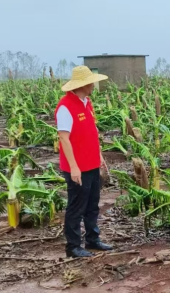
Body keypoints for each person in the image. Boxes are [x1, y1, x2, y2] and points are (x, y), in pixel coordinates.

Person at [55, 65, 113, 258]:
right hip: (78, 167)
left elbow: (91, 132)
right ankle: (73, 247)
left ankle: (92, 239)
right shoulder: (65, 107)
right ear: (83, 84)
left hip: (92, 163)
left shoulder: (86, 102)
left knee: (92, 204)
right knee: (76, 206)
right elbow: (64, 138)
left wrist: (100, 156)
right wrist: (73, 167)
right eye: (91, 83)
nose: (94, 85)